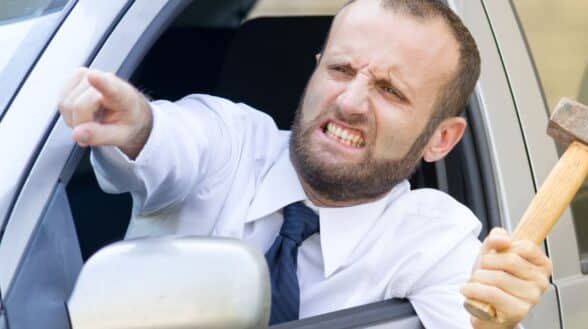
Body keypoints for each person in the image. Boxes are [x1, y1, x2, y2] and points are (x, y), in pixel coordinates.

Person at [58, 0, 552, 328]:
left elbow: (466, 313)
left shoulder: (435, 239)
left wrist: (493, 322)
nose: (351, 102)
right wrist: (135, 120)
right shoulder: (230, 140)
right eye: (340, 69)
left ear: (441, 139)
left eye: (390, 91)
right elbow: (168, 138)